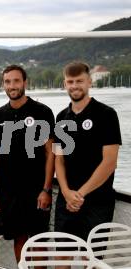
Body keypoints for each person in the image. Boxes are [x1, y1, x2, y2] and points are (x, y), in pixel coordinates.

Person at [0, 64, 55, 263]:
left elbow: (50, 153)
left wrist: (46, 189)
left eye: (16, 81)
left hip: (36, 190)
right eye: (8, 82)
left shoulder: (42, 112)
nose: (12, 86)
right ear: (3, 85)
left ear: (25, 82)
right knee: (19, 238)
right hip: (8, 191)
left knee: (38, 240)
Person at [54, 62, 121, 253]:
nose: (75, 86)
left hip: (98, 200)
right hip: (66, 199)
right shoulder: (61, 118)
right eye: (70, 81)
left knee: (91, 258)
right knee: (61, 254)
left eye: (79, 81)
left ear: (89, 82)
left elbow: (109, 162)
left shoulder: (106, 115)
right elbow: (59, 158)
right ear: (65, 84)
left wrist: (80, 194)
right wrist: (66, 192)